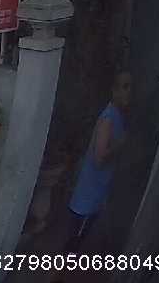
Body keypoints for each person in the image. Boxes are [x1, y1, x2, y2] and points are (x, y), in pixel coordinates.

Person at [64, 71, 131, 252]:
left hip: (95, 196)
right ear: (114, 90)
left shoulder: (117, 116)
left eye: (130, 87)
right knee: (72, 248)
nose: (129, 92)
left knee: (77, 243)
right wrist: (119, 145)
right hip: (87, 199)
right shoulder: (108, 119)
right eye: (125, 87)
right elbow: (99, 158)